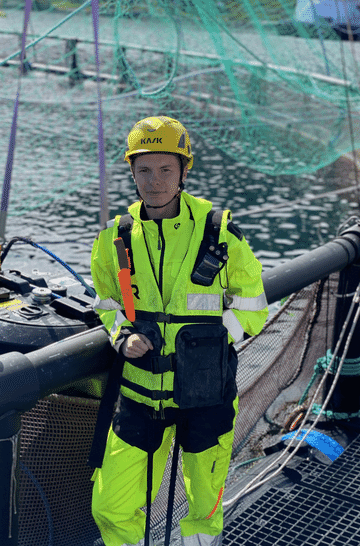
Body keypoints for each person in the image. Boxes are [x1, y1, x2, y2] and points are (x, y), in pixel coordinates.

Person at [90, 116, 268, 546]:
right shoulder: (116, 237)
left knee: (205, 505)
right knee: (110, 503)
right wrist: (121, 336)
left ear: (185, 171)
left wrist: (209, 342)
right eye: (144, 170)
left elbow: (253, 304)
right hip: (140, 396)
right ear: (132, 173)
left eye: (166, 169)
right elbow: (107, 302)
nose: (155, 181)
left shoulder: (219, 230)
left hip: (205, 394)